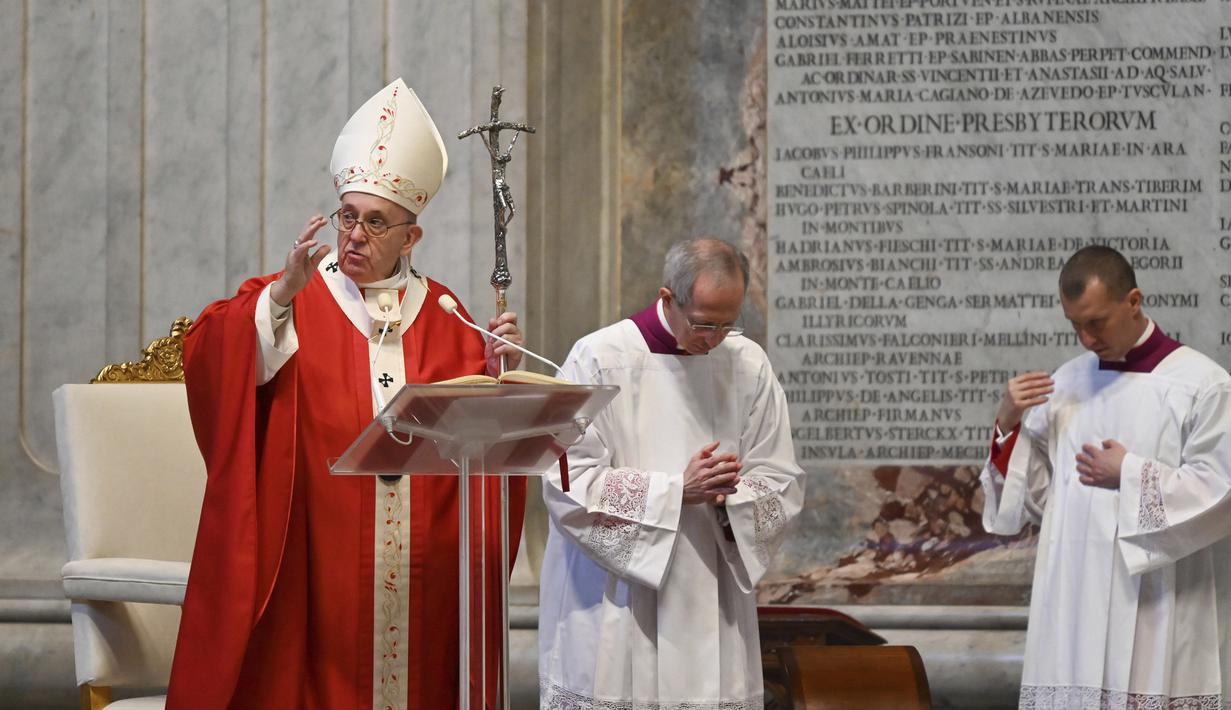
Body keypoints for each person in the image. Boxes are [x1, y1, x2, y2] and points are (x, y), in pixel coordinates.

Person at [167, 78, 527, 709]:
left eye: (375, 222)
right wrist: (277, 298)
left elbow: (482, 446)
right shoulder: (294, 294)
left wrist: (500, 375)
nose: (354, 235)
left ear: (410, 238)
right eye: (347, 216)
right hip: (315, 557)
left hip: (422, 569)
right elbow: (208, 356)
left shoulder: (446, 312)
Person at [537, 238, 804, 708]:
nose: (715, 339)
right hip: (618, 601)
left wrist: (733, 498)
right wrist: (676, 491)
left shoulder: (747, 364)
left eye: (728, 323)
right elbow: (568, 482)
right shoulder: (598, 358)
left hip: (713, 590)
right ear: (667, 299)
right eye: (704, 323)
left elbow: (780, 476)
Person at [981, 245, 1231, 708]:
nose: (1085, 337)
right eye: (1074, 324)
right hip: (1075, 598)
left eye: (1096, 321)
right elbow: (1036, 499)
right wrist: (1008, 423)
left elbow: (1221, 492)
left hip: (1159, 600)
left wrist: (1130, 474)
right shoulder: (1068, 383)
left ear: (1133, 301)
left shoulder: (1201, 384)